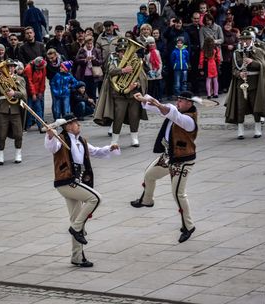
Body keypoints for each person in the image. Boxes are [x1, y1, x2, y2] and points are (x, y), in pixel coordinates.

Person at [44, 114, 120, 267]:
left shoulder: (81, 141)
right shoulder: (61, 140)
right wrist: (50, 135)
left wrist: (109, 148)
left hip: (76, 181)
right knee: (95, 198)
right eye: (75, 123)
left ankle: (77, 257)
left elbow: (95, 151)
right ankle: (76, 228)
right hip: (67, 182)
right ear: (68, 126)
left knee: (76, 218)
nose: (78, 125)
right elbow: (51, 147)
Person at [132, 91, 199, 243]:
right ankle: (147, 200)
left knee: (178, 194)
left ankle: (188, 226)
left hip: (182, 161)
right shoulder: (177, 112)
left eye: (181, 101)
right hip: (169, 156)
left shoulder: (188, 120)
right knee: (150, 174)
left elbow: (171, 113)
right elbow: (160, 109)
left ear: (189, 103)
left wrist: (157, 104)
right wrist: (146, 99)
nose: (178, 103)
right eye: (178, 100)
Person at [94, 43, 149, 147]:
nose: (123, 54)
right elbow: (109, 71)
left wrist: (137, 84)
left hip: (133, 94)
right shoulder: (114, 61)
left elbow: (142, 76)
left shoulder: (134, 62)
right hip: (119, 94)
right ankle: (114, 141)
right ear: (117, 53)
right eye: (121, 52)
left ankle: (134, 138)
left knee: (134, 116)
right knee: (118, 117)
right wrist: (123, 70)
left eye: (125, 51)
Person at [225, 30, 265, 139]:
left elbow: (262, 65)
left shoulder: (258, 51)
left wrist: (252, 61)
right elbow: (233, 69)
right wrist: (239, 74)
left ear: (251, 40)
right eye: (242, 40)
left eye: (246, 39)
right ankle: (240, 130)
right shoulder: (237, 52)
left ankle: (257, 129)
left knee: (255, 106)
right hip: (241, 83)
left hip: (255, 83)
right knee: (240, 107)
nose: (244, 42)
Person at [0, 59, 27, 165]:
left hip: (15, 109)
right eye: (8, 66)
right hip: (3, 109)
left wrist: (14, 93)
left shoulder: (19, 79)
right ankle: (0, 155)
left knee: (18, 134)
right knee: (1, 134)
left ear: (15, 68)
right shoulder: (1, 78)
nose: (10, 68)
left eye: (12, 66)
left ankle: (18, 154)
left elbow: (24, 94)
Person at [24, 56, 47, 132]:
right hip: (29, 91)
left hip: (37, 91)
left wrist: (41, 91)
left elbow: (43, 80)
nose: (42, 69)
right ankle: (27, 125)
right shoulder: (28, 68)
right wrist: (33, 93)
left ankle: (41, 125)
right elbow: (29, 82)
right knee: (29, 108)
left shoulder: (43, 67)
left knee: (38, 108)